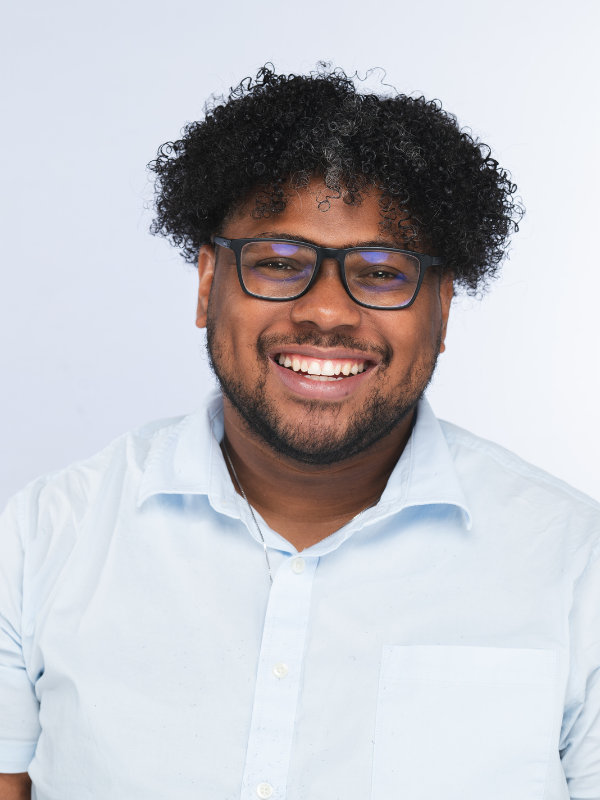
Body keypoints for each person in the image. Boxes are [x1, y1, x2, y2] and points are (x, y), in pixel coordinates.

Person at [0, 64, 598, 800]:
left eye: (381, 272)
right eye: (280, 263)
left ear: (442, 310)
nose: (325, 311)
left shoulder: (577, 571)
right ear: (206, 284)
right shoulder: (35, 544)